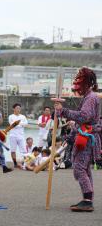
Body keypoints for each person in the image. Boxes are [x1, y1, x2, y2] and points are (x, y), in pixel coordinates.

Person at [55, 67, 101, 212]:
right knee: (84, 168)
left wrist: (63, 111)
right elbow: (83, 121)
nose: (78, 89)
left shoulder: (91, 98)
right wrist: (70, 137)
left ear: (86, 84)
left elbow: (84, 117)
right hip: (85, 135)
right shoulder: (89, 97)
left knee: (80, 168)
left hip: (87, 138)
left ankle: (87, 200)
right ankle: (88, 198)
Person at [8, 103, 28, 168]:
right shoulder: (11, 116)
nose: (18, 109)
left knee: (24, 150)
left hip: (21, 135)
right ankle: (15, 163)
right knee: (13, 150)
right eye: (17, 108)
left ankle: (24, 163)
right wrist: (19, 124)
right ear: (13, 109)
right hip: (13, 135)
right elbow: (12, 124)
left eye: (19, 108)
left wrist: (18, 123)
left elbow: (26, 124)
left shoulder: (23, 116)